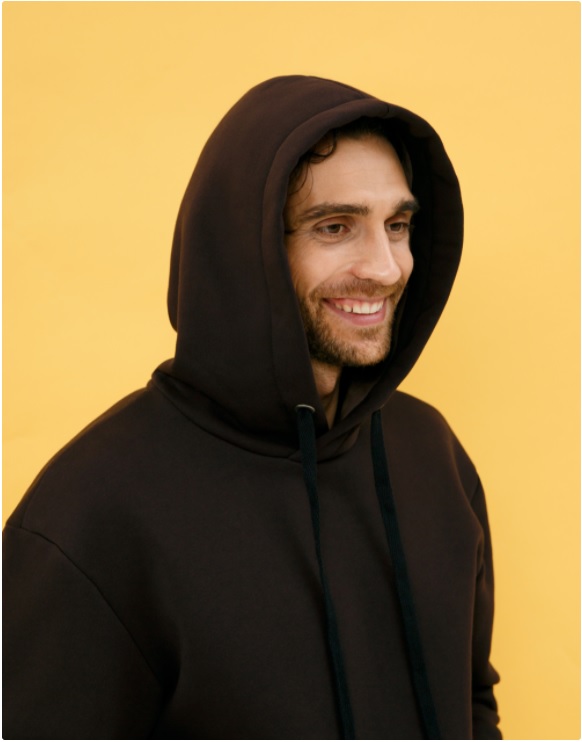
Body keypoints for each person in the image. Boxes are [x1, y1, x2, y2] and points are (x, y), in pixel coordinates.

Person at [3, 75, 501, 740]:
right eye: (335, 227)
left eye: (398, 226)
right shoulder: (91, 513)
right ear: (248, 248)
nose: (386, 268)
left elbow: (470, 701)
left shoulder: (430, 453)